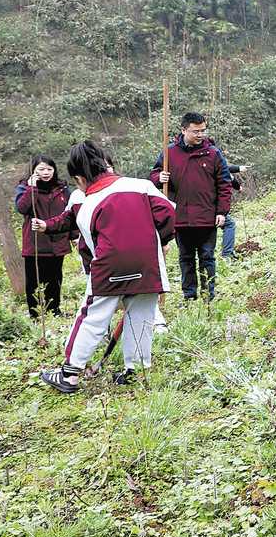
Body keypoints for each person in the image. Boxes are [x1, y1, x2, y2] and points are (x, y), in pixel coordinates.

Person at [36, 141, 175, 392]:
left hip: (110, 268)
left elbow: (90, 247)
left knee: (92, 317)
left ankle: (69, 374)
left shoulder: (87, 204)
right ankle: (136, 371)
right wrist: (160, 241)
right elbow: (168, 214)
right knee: (142, 317)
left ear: (80, 177)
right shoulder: (142, 185)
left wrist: (97, 273)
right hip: (148, 263)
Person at [151, 113, 232, 301]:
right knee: (185, 258)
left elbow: (224, 183)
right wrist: (159, 178)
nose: (200, 134)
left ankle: (208, 295)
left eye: (203, 130)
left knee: (207, 257)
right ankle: (189, 295)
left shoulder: (212, 153)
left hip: (207, 217)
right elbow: (154, 174)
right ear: (183, 130)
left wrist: (222, 211)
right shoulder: (169, 153)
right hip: (181, 218)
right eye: (196, 131)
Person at [14, 156, 72, 318]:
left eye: (49, 169)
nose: (45, 173)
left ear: (54, 170)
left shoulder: (62, 189)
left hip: (57, 242)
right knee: (33, 281)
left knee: (55, 279)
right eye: (41, 169)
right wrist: (31, 189)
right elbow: (22, 208)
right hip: (35, 244)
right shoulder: (24, 187)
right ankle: (35, 314)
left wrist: (74, 236)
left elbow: (71, 214)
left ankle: (54, 310)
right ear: (33, 171)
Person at [219, 149, 245, 259]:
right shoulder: (217, 166)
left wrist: (238, 187)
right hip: (212, 207)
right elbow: (226, 170)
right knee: (229, 224)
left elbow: (231, 178)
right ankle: (227, 255)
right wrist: (238, 168)